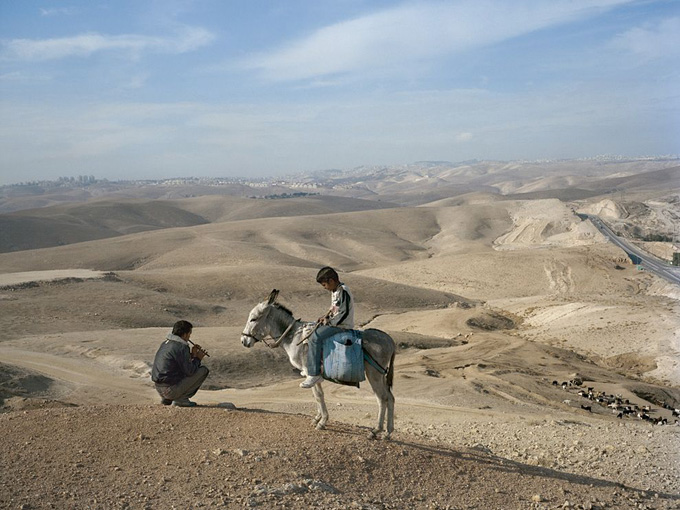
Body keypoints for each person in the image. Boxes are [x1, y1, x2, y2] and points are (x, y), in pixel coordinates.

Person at [300, 266, 354, 388]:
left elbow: (343, 312)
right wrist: (325, 318)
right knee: (308, 329)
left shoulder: (343, 290)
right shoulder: (335, 291)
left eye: (324, 285)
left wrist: (329, 322)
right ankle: (311, 365)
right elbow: (334, 309)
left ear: (331, 281)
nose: (324, 288)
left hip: (342, 325)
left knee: (315, 337)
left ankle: (314, 374)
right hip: (335, 323)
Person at [151, 320, 209, 407]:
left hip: (159, 389)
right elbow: (190, 371)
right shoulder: (181, 347)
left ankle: (167, 399)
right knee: (203, 370)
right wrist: (198, 358)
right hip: (169, 390)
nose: (189, 337)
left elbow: (178, 363)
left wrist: (192, 355)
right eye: (189, 334)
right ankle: (181, 399)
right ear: (185, 334)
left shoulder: (166, 343)